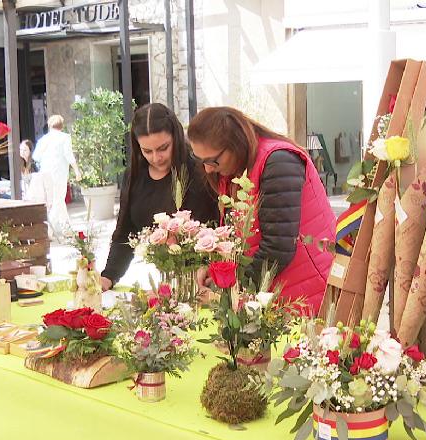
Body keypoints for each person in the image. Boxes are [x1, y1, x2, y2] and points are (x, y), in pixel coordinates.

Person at [186, 106, 335, 315]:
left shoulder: (279, 161)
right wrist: (216, 269)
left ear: (235, 144)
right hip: (273, 292)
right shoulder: (235, 169)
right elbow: (237, 238)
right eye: (200, 161)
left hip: (305, 291)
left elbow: (278, 248)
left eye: (212, 160)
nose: (208, 169)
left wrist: (226, 284)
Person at [100, 103, 219, 291]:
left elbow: (220, 228)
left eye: (163, 148)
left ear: (177, 138)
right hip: (167, 283)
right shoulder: (134, 175)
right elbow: (125, 232)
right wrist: (108, 276)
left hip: (205, 283)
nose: (156, 158)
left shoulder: (200, 170)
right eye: (147, 151)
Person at [33, 114, 81, 217]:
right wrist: (76, 170)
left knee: (52, 200)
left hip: (46, 173)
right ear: (61, 126)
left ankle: (62, 225)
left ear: (49, 125)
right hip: (59, 173)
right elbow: (68, 155)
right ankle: (58, 226)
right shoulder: (65, 138)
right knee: (59, 199)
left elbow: (36, 156)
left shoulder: (43, 139)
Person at [20, 138, 70, 238]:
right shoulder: (19, 165)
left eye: (25, 150)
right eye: (21, 150)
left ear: (30, 151)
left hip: (36, 196)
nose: (22, 153)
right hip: (25, 195)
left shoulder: (34, 166)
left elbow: (42, 182)